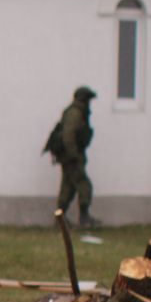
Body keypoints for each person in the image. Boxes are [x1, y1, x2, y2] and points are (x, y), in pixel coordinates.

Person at [46, 86, 99, 227]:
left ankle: (60, 219)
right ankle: (84, 217)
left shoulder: (76, 111)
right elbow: (68, 136)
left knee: (68, 187)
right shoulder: (75, 113)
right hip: (71, 157)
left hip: (70, 156)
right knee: (84, 185)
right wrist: (74, 155)